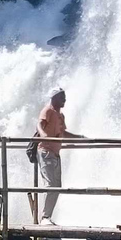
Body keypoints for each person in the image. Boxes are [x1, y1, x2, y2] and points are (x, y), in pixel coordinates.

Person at [36, 87, 84, 225]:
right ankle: (44, 218)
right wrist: (43, 135)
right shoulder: (48, 111)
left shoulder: (60, 116)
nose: (65, 100)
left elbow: (63, 134)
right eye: (62, 97)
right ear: (54, 97)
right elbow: (39, 124)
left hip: (55, 154)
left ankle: (47, 216)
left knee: (57, 185)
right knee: (51, 184)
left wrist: (79, 137)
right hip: (46, 151)